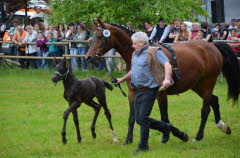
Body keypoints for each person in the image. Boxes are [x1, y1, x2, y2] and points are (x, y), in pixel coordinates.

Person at [116, 32, 173, 154]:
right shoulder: (135, 54)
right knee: (139, 119)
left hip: (149, 89)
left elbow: (167, 65)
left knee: (142, 118)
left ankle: (143, 147)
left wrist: (167, 79)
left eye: (134, 43)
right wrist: (122, 79)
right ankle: (166, 127)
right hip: (137, 90)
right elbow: (134, 70)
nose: (132, 46)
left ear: (142, 43)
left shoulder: (154, 51)